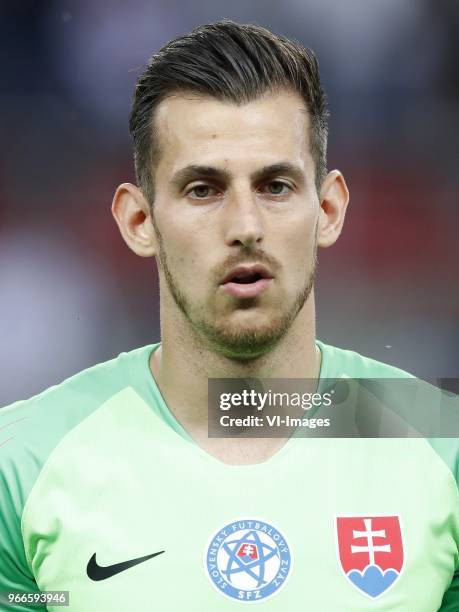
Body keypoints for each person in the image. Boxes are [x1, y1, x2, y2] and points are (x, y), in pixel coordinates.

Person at [0, 20, 457, 611]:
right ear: (139, 221)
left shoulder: (443, 445)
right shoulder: (23, 462)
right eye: (202, 189)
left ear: (328, 209)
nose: (245, 227)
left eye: (275, 186)